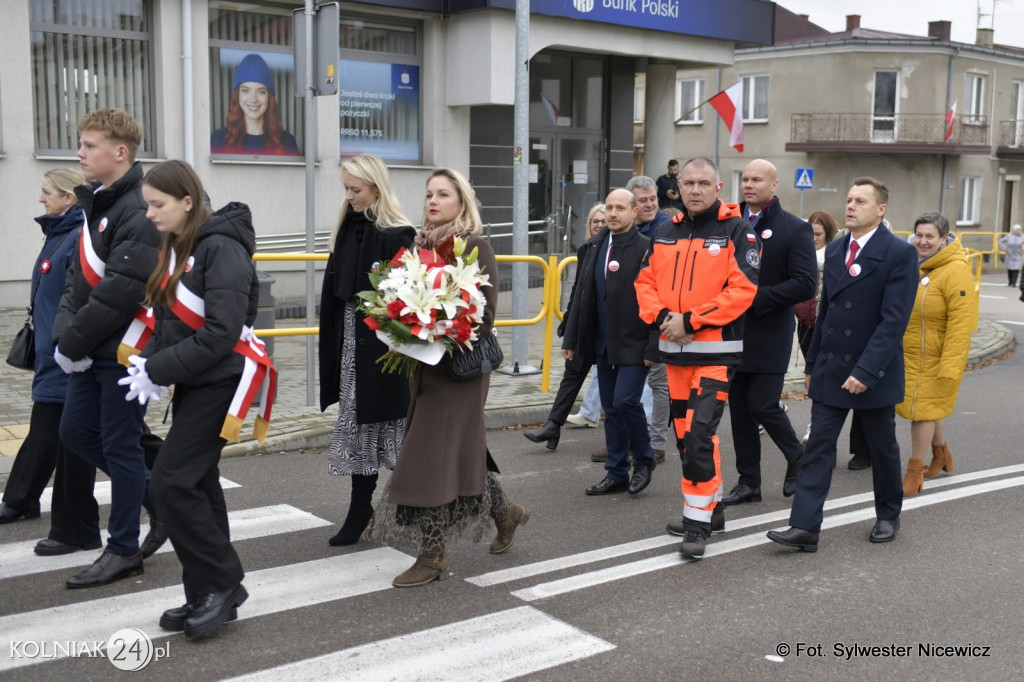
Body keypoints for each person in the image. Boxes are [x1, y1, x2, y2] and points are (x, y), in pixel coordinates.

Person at [367, 168, 528, 588]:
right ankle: (505, 513)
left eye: (443, 194)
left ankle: (432, 555)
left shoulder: (474, 246)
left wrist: (432, 328)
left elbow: (484, 317)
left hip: (460, 371)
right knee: (457, 452)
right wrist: (402, 328)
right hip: (425, 368)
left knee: (430, 456)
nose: (433, 201)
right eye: (429, 194)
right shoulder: (419, 246)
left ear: (461, 201)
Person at [130, 159, 266, 638]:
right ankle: (204, 592)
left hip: (220, 383)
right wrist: (149, 361)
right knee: (199, 486)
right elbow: (170, 322)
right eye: (147, 204)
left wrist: (159, 367)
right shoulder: (182, 245)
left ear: (187, 202)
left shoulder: (221, 248)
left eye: (157, 204)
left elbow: (221, 332)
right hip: (198, 381)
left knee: (171, 482)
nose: (149, 213)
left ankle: (223, 582)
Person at [768, 177, 918, 553]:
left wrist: (865, 371)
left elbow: (893, 322)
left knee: (882, 449)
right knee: (819, 446)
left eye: (861, 201)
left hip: (873, 372)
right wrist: (812, 363)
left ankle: (888, 514)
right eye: (849, 199)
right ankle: (804, 526)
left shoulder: (899, 253)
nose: (850, 206)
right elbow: (826, 312)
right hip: (832, 367)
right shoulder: (836, 249)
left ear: (881, 209)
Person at [53, 108, 165, 588]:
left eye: (89, 145)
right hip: (89, 349)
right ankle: (160, 503)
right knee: (76, 432)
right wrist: (65, 337)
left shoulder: (137, 209)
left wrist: (72, 341)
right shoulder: (98, 202)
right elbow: (76, 280)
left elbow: (122, 291)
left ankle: (122, 550)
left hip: (122, 351)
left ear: (120, 152)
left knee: (121, 445)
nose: (79, 153)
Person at [635, 156, 759, 560]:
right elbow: (644, 283)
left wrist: (690, 320)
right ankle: (713, 509)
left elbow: (742, 291)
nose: (695, 189)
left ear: (718, 187)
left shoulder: (737, 231)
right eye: (688, 182)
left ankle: (696, 525)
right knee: (687, 437)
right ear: (679, 186)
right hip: (674, 356)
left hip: (716, 356)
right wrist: (663, 319)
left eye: (704, 183)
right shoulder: (665, 232)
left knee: (698, 436)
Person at [0, 170, 101, 559]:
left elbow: (79, 300)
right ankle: (22, 498)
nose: (41, 199)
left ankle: (164, 489)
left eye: (47, 192)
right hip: (53, 353)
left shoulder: (76, 237)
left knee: (83, 439)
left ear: (69, 198)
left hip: (69, 356)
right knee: (47, 430)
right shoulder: (59, 234)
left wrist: (64, 346)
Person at [318, 154, 416, 544]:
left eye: (355, 189)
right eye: (346, 188)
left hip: (383, 349)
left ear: (377, 188)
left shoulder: (398, 234)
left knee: (400, 430)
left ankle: (423, 505)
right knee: (360, 425)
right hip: (351, 344)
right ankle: (361, 509)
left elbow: (407, 300)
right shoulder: (346, 229)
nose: (349, 196)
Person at [723, 159, 817, 506]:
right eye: (745, 179)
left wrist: (753, 298)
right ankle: (749, 483)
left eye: (757, 179)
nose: (749, 184)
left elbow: (805, 284)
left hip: (769, 333)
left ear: (774, 185)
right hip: (731, 331)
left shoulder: (794, 228)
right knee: (739, 411)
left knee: (762, 404)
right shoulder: (729, 223)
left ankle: (797, 454)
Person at [563, 189, 655, 496]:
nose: (612, 214)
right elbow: (581, 297)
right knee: (611, 409)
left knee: (626, 401)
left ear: (634, 212)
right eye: (610, 208)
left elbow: (659, 299)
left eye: (620, 208)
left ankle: (644, 460)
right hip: (603, 343)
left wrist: (654, 345)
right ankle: (616, 472)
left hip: (635, 343)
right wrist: (572, 338)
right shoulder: (595, 246)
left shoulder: (647, 248)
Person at [896, 212, 975, 496]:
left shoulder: (956, 270)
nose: (923, 241)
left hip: (937, 357)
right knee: (929, 407)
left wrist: (950, 366)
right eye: (919, 235)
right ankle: (941, 454)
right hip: (911, 353)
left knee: (922, 412)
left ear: (944, 238)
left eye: (930, 236)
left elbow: (961, 324)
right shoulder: (914, 264)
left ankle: (914, 471)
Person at [524, 203, 606, 449]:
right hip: (585, 327)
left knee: (612, 383)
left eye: (603, 221)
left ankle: (622, 439)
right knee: (571, 375)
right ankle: (553, 426)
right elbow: (578, 291)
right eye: (595, 221)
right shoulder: (585, 249)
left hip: (607, 330)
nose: (599, 225)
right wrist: (569, 322)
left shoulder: (616, 249)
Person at [625, 175, 670, 465]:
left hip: (658, 319)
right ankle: (627, 440)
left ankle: (657, 444)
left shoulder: (667, 230)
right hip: (630, 321)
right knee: (627, 388)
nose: (650, 204)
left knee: (658, 384)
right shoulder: (625, 229)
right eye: (643, 200)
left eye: (653, 199)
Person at [210, 53, 300, 156]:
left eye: (261, 92)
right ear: (237, 95)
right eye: (246, 91)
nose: (253, 99)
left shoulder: (287, 142)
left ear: (269, 98)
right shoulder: (218, 140)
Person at [795, 210, 839, 363]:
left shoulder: (835, 257)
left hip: (825, 324)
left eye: (818, 234)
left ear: (828, 233)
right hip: (803, 323)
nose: (813, 239)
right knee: (809, 364)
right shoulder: (801, 256)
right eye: (811, 234)